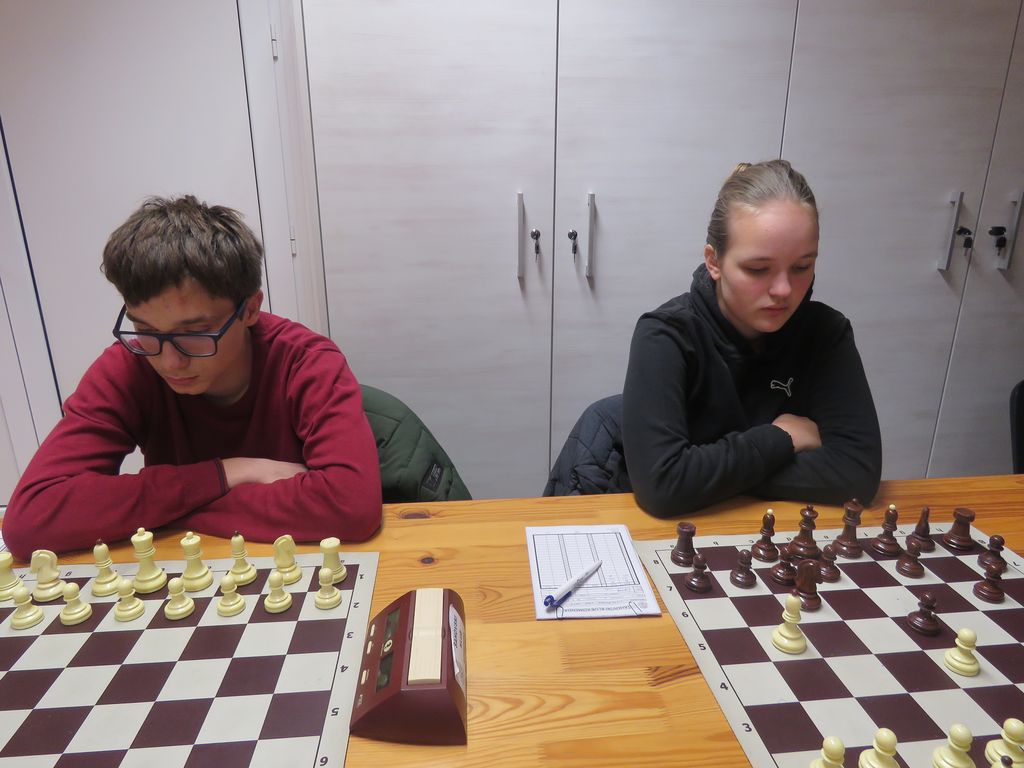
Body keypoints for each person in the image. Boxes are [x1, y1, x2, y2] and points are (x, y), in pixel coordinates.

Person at [4, 195, 382, 559]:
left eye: (195, 333)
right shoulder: (128, 366)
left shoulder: (308, 362)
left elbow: (349, 506)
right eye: (146, 330)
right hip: (187, 570)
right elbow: (31, 519)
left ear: (250, 309)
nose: (169, 361)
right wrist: (228, 473)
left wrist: (161, 510)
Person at [622, 160, 882, 518]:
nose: (783, 290)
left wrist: (706, 476)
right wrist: (783, 438)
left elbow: (857, 474)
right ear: (714, 261)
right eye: (758, 269)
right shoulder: (666, 335)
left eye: (802, 267)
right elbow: (662, 485)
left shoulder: (826, 333)